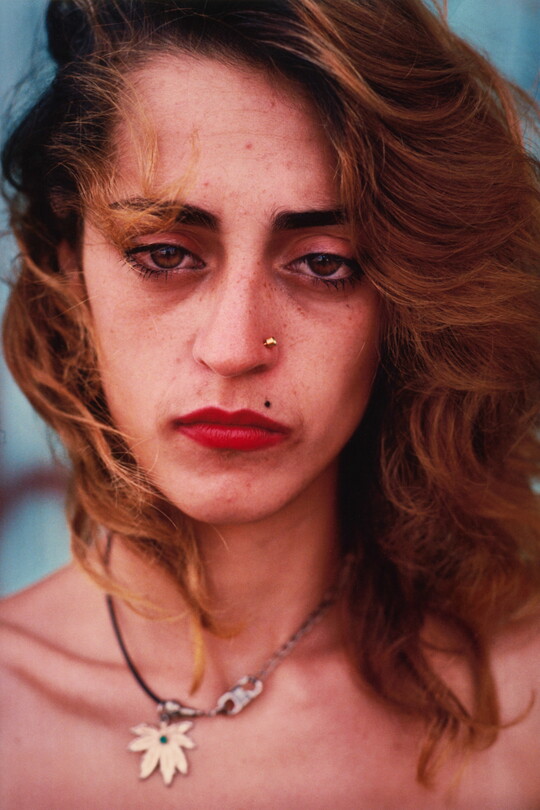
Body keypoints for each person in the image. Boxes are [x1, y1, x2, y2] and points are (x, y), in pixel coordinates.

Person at [1, 0, 539, 806]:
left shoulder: (518, 709)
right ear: (70, 267)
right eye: (166, 253)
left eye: (324, 264)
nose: (235, 347)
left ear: (409, 302)